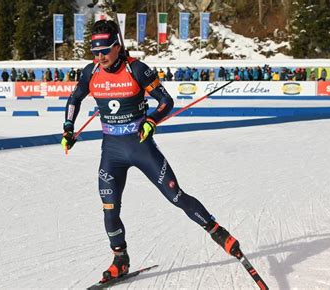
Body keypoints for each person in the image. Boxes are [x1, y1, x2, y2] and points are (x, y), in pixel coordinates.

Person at [60, 19, 242, 284]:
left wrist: (151, 121)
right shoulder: (91, 73)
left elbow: (166, 101)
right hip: (112, 152)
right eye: (94, 52)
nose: (99, 57)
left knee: (175, 196)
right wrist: (68, 128)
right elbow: (74, 99)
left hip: (140, 147)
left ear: (117, 46)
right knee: (109, 208)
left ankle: (217, 231)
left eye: (104, 51)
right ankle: (120, 259)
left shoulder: (137, 70)